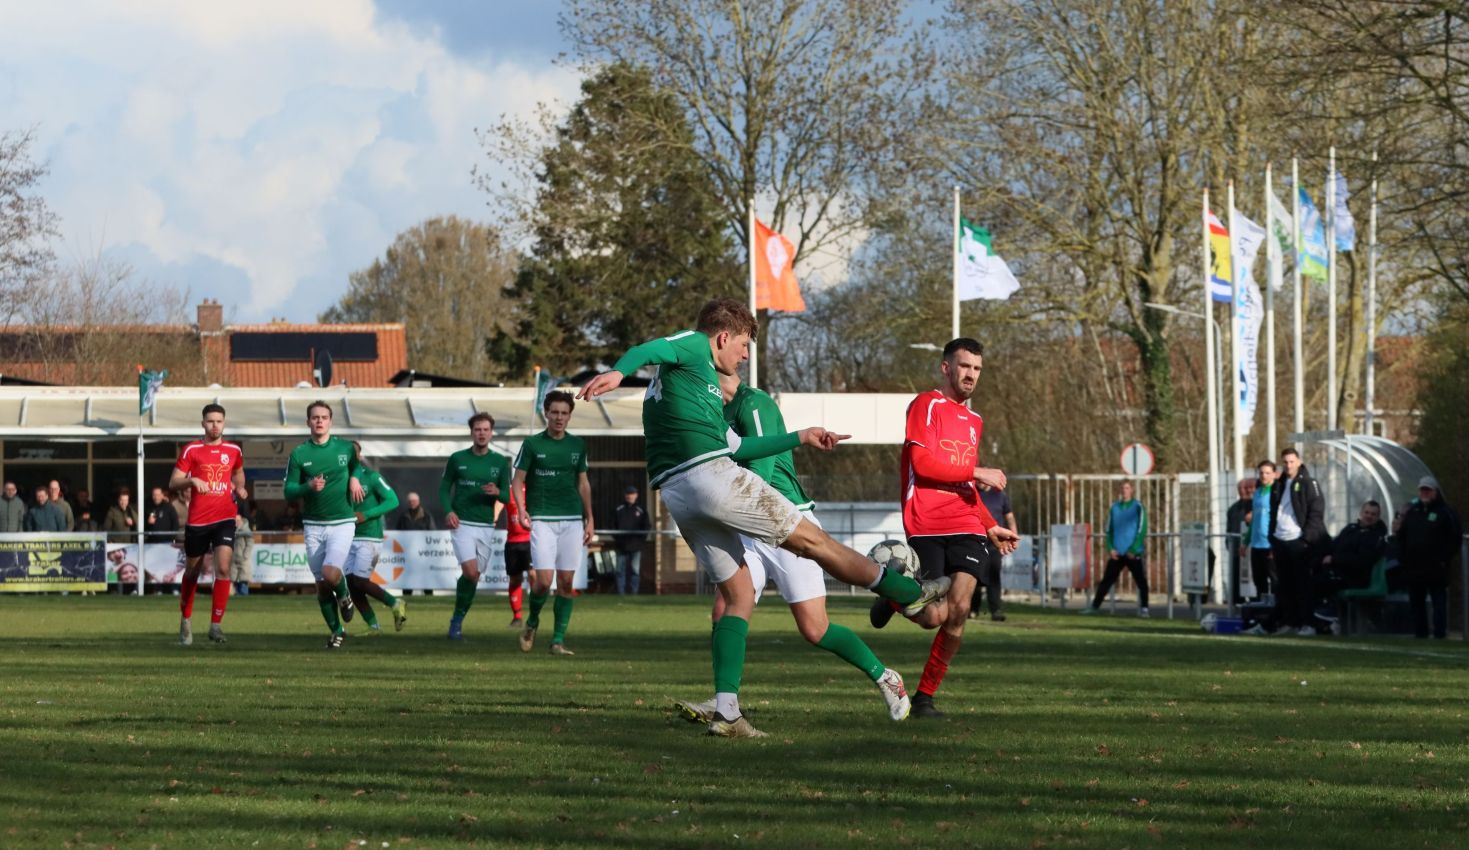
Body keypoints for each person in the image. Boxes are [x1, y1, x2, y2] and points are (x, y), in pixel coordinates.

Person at [579, 299, 955, 737]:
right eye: (742, 345)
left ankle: (727, 712)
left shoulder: (694, 389)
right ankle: (908, 592)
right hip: (711, 479)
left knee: (737, 596)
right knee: (817, 545)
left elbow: (738, 446)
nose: (744, 355)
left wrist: (801, 436)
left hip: (680, 495)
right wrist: (618, 371)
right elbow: (650, 348)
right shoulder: (696, 346)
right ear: (722, 337)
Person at [676, 371, 914, 724]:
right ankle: (725, 701)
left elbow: (758, 473)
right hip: (748, 523)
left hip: (786, 520)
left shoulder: (753, 403)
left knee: (815, 628)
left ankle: (885, 676)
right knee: (724, 607)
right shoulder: (716, 411)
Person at [869, 337, 1020, 720]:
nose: (971, 374)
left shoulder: (975, 421)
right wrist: (977, 470)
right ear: (946, 367)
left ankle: (924, 698)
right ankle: (894, 595)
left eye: (977, 368)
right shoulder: (926, 404)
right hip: (926, 522)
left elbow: (964, 483)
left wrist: (990, 525)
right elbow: (923, 465)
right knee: (933, 617)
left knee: (961, 608)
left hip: (966, 523)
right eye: (965, 366)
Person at [511, 391, 594, 656]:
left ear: (569, 416)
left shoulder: (577, 445)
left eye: (564, 413)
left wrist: (590, 518)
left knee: (567, 583)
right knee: (544, 581)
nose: (559, 417)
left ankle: (557, 641)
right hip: (542, 520)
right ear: (546, 413)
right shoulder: (532, 444)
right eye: (555, 412)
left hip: (572, 519)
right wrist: (521, 509)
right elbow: (517, 480)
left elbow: (583, 483)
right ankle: (533, 620)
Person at [283, 400, 366, 649]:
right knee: (321, 586)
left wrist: (354, 478)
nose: (319, 421)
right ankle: (337, 631)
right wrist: (307, 486)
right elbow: (288, 491)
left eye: (324, 417)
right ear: (308, 422)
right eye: (315, 417)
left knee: (331, 573)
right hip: (313, 525)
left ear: (330, 421)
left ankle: (344, 596)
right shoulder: (299, 454)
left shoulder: (345, 448)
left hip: (342, 522)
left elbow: (357, 468)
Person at [168, 403, 246, 645]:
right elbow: (173, 482)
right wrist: (192, 481)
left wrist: (240, 487)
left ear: (224, 423)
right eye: (210, 421)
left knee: (223, 569)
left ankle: (215, 626)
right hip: (198, 520)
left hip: (225, 517)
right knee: (193, 572)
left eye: (219, 421)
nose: (215, 426)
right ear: (203, 423)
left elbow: (238, 472)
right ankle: (186, 619)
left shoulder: (233, 449)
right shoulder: (191, 450)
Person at [440, 412, 512, 640]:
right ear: (471, 432)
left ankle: (457, 619)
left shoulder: (499, 462)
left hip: (485, 525)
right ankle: (456, 622)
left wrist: (497, 492)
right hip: (462, 523)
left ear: (491, 433)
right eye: (478, 429)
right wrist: (449, 510)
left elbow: (508, 496)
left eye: (485, 430)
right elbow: (443, 489)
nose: (482, 433)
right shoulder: (457, 458)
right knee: (470, 572)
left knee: (473, 577)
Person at [344, 443, 407, 634]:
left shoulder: (372, 477)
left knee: (360, 581)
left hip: (369, 537)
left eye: (353, 453)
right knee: (351, 585)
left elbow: (393, 500)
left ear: (359, 456)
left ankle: (395, 603)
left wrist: (366, 514)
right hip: (345, 537)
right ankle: (374, 627)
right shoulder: (338, 478)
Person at [1268, 447, 1327, 636]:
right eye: (1285, 462)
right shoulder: (1278, 484)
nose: (1288, 465)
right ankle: (1290, 622)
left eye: (1292, 461)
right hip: (1280, 540)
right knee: (1284, 586)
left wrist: (1306, 539)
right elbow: (1273, 511)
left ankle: (1308, 623)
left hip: (1298, 541)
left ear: (1299, 461)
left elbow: (1316, 512)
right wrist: (1272, 537)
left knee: (1303, 585)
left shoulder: (1309, 483)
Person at [1396, 477, 1463, 639]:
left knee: (1438, 601)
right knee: (1416, 602)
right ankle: (1420, 634)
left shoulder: (1445, 512)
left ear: (1435, 491)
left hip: (1436, 567)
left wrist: (1443, 558)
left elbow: (1455, 538)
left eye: (1428, 490)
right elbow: (1402, 537)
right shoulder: (1413, 512)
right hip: (1414, 566)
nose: (1425, 493)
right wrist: (1404, 558)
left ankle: (1439, 634)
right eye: (1422, 490)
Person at [1081, 481, 1150, 616]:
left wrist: (1133, 549)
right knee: (1106, 581)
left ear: (1132, 490)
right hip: (1117, 552)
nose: (1125, 490)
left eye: (1127, 488)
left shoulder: (1138, 507)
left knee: (1141, 581)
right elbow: (1109, 530)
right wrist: (1110, 548)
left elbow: (1142, 530)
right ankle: (1094, 607)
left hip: (1132, 553)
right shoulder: (1114, 507)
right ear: (1120, 490)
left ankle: (1144, 609)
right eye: (1123, 488)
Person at [972, 484, 1015, 621]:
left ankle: (996, 610)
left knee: (994, 578)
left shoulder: (999, 495)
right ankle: (972, 609)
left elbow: (1009, 516)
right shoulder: (972, 491)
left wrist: (1014, 533)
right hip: (975, 543)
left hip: (995, 545)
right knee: (974, 577)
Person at [1246, 461, 1277, 602]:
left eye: (1267, 473)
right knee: (1259, 581)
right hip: (1256, 544)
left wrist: (1275, 544)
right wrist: (1245, 541)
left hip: (1269, 544)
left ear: (1274, 474)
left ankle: (1278, 610)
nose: (1264, 476)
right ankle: (1261, 609)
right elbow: (1254, 520)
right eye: (1261, 473)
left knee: (1275, 580)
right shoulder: (1257, 493)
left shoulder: (1276, 493)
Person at [612, 485, 651, 595]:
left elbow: (647, 526)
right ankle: (621, 593)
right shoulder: (618, 509)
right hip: (621, 545)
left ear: (636, 495)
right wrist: (618, 539)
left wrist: (640, 540)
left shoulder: (641, 510)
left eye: (632, 494)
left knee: (635, 570)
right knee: (620, 570)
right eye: (628, 494)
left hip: (636, 546)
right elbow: (612, 525)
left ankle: (634, 593)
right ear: (625, 495)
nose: (630, 496)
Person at [503, 491, 531, 627]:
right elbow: (499, 503)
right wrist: (494, 518)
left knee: (534, 575)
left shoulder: (533, 488)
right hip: (513, 542)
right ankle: (517, 616)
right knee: (515, 579)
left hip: (530, 540)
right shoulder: (509, 491)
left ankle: (534, 613)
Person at [232, 498, 254, 595]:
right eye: (235, 520)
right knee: (234, 578)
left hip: (243, 559)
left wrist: (245, 555)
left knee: (243, 580)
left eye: (237, 520)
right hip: (233, 559)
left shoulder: (246, 531)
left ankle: (243, 594)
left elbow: (250, 544)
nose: (236, 522)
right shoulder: (232, 530)